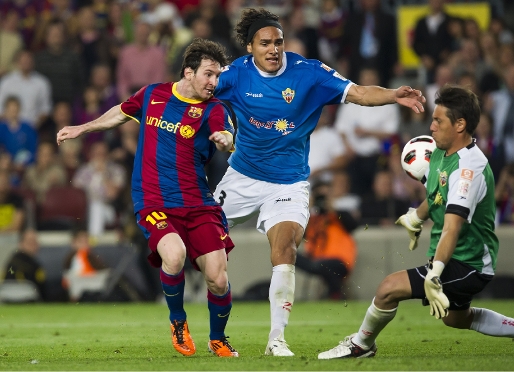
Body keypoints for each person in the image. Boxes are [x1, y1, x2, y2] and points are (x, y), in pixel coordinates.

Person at [213, 7, 425, 356]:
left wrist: (392, 95)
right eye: (265, 43)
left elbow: (357, 92)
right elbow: (200, 94)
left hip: (288, 184)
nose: (273, 50)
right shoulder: (234, 75)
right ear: (250, 46)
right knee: (199, 245)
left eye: (278, 42)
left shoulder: (308, 73)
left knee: (285, 250)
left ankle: (276, 340)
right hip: (241, 179)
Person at [56, 38, 238, 358]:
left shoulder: (214, 110)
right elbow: (121, 112)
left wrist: (224, 139)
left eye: (218, 76)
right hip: (154, 201)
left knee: (218, 278)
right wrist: (83, 128)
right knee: (174, 253)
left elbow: (225, 134)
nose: (214, 82)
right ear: (188, 72)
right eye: (208, 74)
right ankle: (178, 322)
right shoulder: (153, 94)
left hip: (198, 203)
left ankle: (218, 338)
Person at [318, 85, 514, 360]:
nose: (431, 127)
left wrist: (435, 272)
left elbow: (452, 227)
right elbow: (436, 197)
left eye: (438, 121)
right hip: (456, 258)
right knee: (456, 318)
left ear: (460, 125)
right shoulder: (440, 153)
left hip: (468, 263)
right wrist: (416, 215)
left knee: (388, 289)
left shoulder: (469, 170)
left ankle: (361, 345)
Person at [4, 228, 46, 300]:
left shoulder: (35, 263)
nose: (33, 245)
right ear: (20, 244)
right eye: (30, 242)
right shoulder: (14, 263)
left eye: (35, 242)